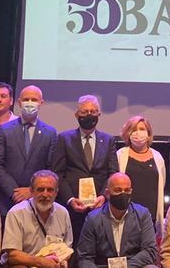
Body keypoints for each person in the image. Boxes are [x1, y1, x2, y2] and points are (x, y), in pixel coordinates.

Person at [51, 95, 117, 238]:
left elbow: (112, 173)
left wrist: (102, 196)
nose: (89, 115)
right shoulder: (64, 138)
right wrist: (70, 199)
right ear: (76, 115)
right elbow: (58, 173)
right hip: (72, 207)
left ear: (99, 114)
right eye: (84, 112)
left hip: (100, 207)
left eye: (93, 112)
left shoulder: (108, 140)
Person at [0, 86, 58, 216]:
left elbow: (50, 168)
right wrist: (14, 192)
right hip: (4, 201)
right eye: (26, 99)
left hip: (36, 202)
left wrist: (31, 191)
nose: (30, 103)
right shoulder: (4, 130)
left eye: (34, 99)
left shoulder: (50, 133)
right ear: (19, 102)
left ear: (41, 103)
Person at [77, 172, 159, 268]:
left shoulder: (142, 214)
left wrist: (123, 266)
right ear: (107, 193)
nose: (123, 194)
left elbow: (150, 251)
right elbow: (85, 257)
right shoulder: (93, 218)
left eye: (127, 190)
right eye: (118, 190)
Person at [2, 169, 73, 268]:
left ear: (56, 193)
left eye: (50, 190)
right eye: (40, 189)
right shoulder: (16, 213)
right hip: (25, 264)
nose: (45, 194)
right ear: (31, 191)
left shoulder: (63, 213)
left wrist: (61, 260)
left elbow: (67, 248)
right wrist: (41, 262)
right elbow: (13, 255)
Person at [115, 115, 166, 237]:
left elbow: (162, 184)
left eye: (142, 129)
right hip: (126, 215)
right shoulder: (120, 155)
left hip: (151, 216)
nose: (138, 133)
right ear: (128, 133)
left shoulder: (158, 157)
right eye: (134, 129)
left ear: (148, 134)